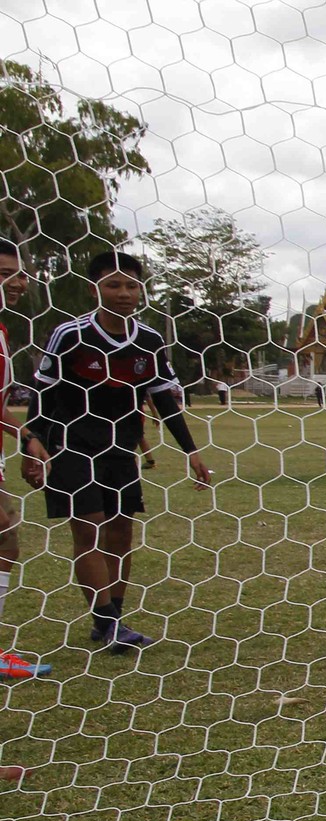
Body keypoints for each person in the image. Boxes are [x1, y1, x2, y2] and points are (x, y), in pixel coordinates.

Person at [27, 251, 212, 653]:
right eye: (113, 285)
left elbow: (163, 399)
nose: (124, 293)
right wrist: (32, 438)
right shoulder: (70, 334)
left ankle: (113, 618)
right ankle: (108, 623)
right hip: (70, 446)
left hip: (120, 449)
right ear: (94, 289)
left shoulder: (149, 340)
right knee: (89, 530)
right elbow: (44, 390)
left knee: (121, 532)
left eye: (132, 285)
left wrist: (191, 451)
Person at [0, 239, 51, 684]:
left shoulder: (1, 332)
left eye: (19, 274)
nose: (17, 282)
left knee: (6, 538)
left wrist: (26, 436)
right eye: (5, 274)